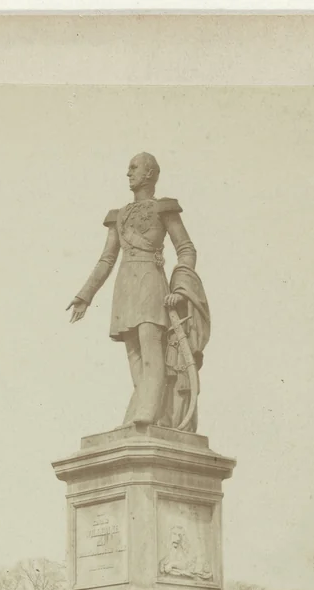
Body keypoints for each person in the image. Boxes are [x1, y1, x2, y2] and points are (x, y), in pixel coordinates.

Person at [67, 153, 210, 429]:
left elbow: (186, 249)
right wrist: (85, 295)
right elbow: (107, 259)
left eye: (133, 168)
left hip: (151, 284)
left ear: (149, 174)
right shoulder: (118, 216)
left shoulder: (164, 209)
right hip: (125, 288)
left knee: (151, 346)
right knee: (134, 354)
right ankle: (155, 414)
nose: (128, 173)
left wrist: (180, 288)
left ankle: (145, 411)